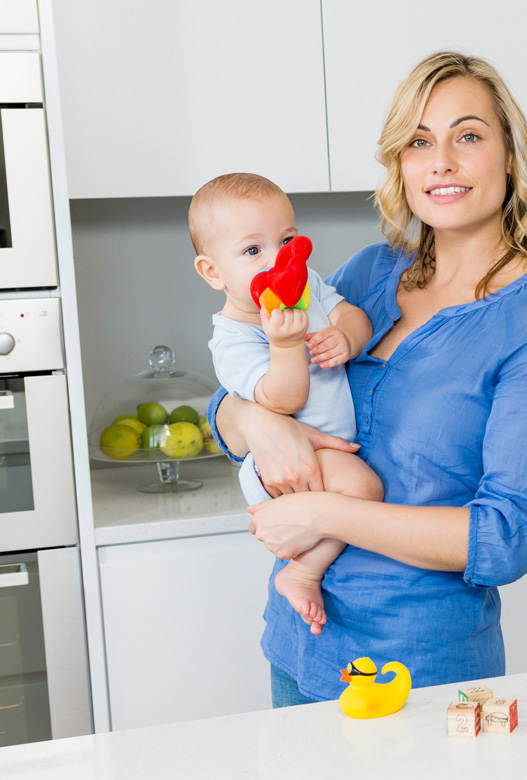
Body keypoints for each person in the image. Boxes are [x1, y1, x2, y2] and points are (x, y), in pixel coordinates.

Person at [207, 51, 527, 706]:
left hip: (416, 671)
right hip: (298, 648)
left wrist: (323, 511)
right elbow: (236, 387)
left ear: (509, 156)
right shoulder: (368, 274)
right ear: (400, 162)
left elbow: (506, 537)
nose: (441, 160)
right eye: (420, 141)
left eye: (467, 136)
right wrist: (253, 421)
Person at [191, 173, 383, 637]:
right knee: (365, 490)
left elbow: (351, 314)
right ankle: (303, 572)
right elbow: (282, 398)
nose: (278, 260)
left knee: (358, 489)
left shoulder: (308, 285)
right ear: (213, 272)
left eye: (287, 240)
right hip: (283, 467)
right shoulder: (232, 340)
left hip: (324, 451)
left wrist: (347, 337)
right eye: (253, 251)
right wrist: (285, 345)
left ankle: (306, 563)